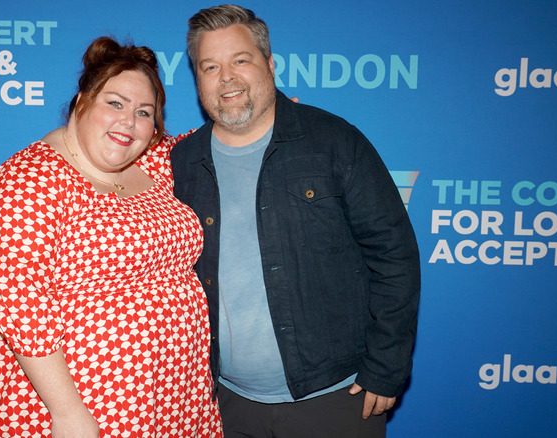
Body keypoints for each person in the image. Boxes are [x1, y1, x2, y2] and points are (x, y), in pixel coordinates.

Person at [0, 36, 222, 438]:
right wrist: (67, 413)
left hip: (163, 398)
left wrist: (254, 122)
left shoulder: (153, 160)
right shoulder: (26, 182)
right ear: (82, 102)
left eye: (144, 112)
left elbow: (201, 143)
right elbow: (21, 308)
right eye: (115, 102)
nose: (129, 121)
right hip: (61, 406)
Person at [170, 5, 421, 437]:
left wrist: (386, 367)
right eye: (210, 66)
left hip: (337, 400)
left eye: (240, 60)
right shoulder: (181, 162)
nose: (226, 77)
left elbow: (394, 255)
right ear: (197, 80)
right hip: (223, 404)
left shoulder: (334, 142)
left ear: (269, 64)